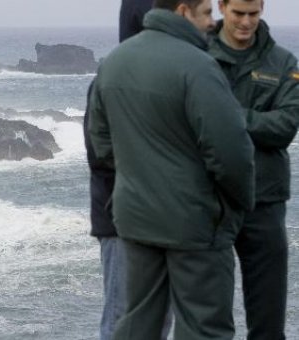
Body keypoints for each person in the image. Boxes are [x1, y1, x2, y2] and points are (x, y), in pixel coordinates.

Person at [88, 0, 256, 338]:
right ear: (183, 11)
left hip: (135, 220)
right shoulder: (199, 67)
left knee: (137, 323)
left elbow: (101, 143)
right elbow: (231, 152)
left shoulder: (114, 64)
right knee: (204, 327)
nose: (213, 22)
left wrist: (138, 176)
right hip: (193, 222)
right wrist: (236, 206)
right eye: (207, 12)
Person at [208, 1, 299, 338]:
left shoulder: (283, 62)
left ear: (262, 9)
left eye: (253, 14)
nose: (246, 22)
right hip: (210, 201)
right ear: (222, 6)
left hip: (265, 201)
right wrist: (255, 120)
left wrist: (229, 118)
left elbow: (285, 126)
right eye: (238, 14)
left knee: (268, 323)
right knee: (209, 320)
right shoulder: (199, 54)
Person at [84, 0, 169, 339]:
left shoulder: (168, 80)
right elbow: (102, 155)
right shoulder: (112, 80)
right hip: (121, 221)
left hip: (164, 219)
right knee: (122, 319)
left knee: (160, 321)